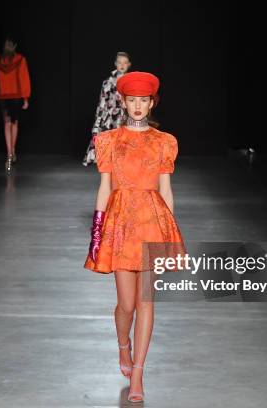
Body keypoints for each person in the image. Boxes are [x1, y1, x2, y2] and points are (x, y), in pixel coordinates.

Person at [83, 72, 186, 403]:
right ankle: (123, 346)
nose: (138, 106)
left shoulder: (164, 141)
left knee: (146, 302)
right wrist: (97, 232)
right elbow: (104, 188)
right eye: (132, 100)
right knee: (126, 304)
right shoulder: (108, 141)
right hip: (121, 223)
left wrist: (171, 232)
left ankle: (139, 371)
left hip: (152, 221)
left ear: (152, 102)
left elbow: (167, 191)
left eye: (144, 100)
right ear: (122, 102)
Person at [0, 38, 31, 173]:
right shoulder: (20, 59)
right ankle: (12, 152)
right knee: (14, 123)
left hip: (3, 96)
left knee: (7, 124)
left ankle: (9, 154)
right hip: (16, 96)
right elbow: (24, 78)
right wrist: (25, 97)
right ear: (14, 47)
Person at [82, 52, 131, 166]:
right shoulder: (107, 82)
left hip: (125, 116)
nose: (122, 65)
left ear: (129, 64)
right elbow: (102, 103)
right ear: (115, 64)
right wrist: (97, 123)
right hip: (109, 117)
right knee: (108, 145)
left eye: (124, 62)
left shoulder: (131, 82)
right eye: (119, 62)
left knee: (124, 144)